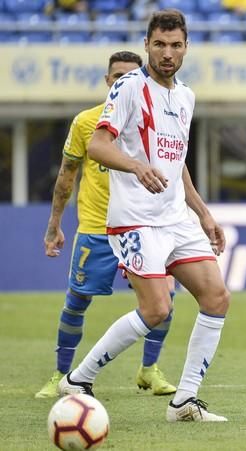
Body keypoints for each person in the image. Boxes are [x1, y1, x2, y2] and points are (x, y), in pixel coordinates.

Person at [57, 9, 230, 423]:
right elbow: (98, 146)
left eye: (175, 45)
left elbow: (177, 163)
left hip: (175, 219)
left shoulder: (186, 95)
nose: (167, 53)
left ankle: (184, 402)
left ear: (186, 47)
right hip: (135, 219)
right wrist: (136, 166)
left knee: (217, 298)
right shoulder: (130, 88)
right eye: (159, 45)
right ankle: (78, 380)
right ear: (147, 45)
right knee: (156, 310)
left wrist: (203, 213)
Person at [35, 51, 177, 399]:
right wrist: (54, 224)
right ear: (107, 81)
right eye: (117, 77)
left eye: (131, 76)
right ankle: (61, 374)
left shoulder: (155, 119)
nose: (123, 83)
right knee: (77, 301)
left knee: (166, 299)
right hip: (97, 229)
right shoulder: (86, 123)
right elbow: (67, 175)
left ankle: (149, 370)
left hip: (142, 226)